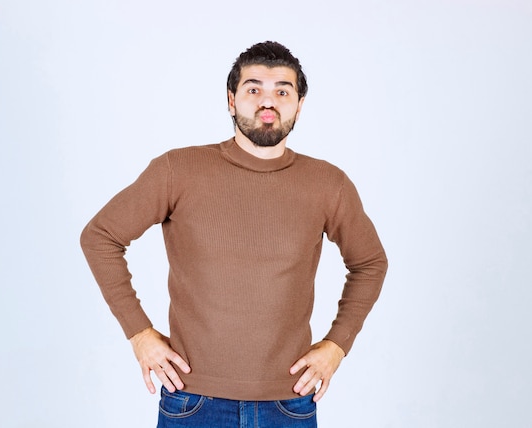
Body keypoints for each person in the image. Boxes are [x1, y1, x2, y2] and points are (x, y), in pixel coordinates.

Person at [80, 41, 387, 427]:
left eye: (282, 91)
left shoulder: (328, 184)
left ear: (299, 104)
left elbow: (370, 263)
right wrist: (139, 333)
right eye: (253, 88)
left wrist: (337, 346)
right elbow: (101, 236)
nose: (267, 101)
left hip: (288, 404)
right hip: (192, 400)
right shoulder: (179, 169)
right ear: (231, 100)